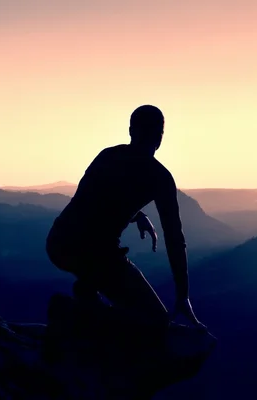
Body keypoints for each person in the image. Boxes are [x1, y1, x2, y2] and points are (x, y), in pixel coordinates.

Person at [46, 105, 204, 330]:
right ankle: (76, 314)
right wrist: (183, 295)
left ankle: (86, 296)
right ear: (160, 137)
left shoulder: (109, 156)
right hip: (97, 254)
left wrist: (136, 214)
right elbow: (175, 239)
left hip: (59, 242)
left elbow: (90, 201)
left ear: (131, 131)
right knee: (156, 319)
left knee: (97, 266)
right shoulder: (159, 177)